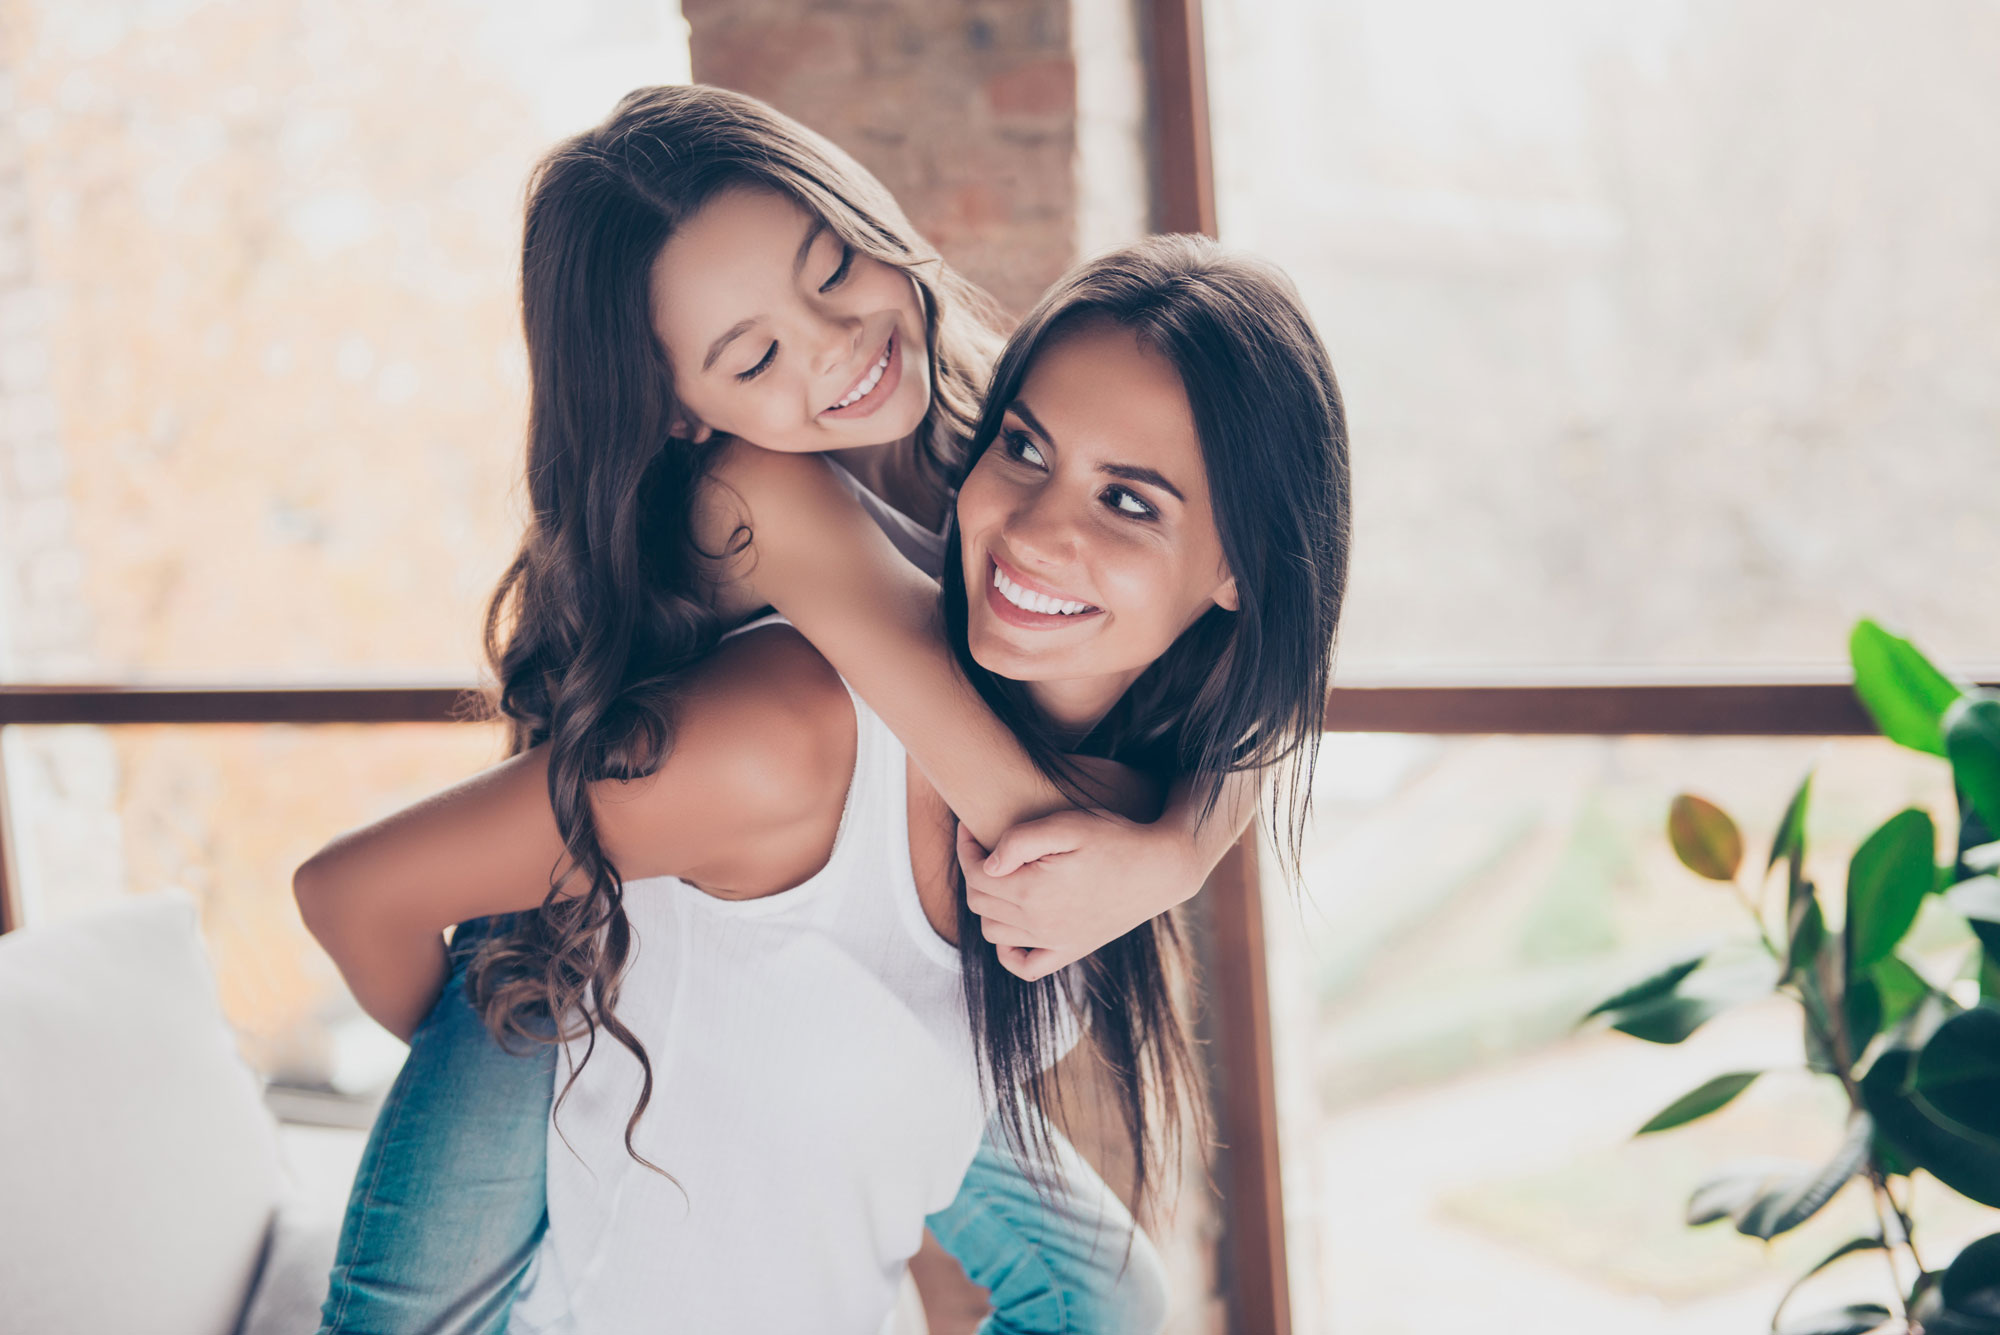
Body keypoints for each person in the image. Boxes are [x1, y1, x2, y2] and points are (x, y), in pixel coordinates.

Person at [296, 85, 1346, 1334]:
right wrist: (551, 1102)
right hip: (558, 943)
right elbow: (997, 783)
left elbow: (1245, 697)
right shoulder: (757, 502)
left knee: (1104, 1292)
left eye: (835, 267)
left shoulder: (995, 437)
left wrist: (1172, 847)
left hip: (839, 952)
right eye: (753, 355)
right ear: (680, 407)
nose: (836, 344)